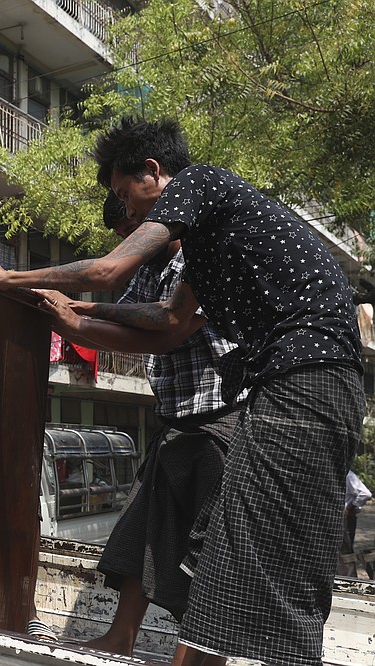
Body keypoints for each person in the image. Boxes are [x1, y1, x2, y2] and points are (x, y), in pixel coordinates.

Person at [0, 117, 363, 666]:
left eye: (124, 195)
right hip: (298, 387)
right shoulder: (213, 242)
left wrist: (11, 279)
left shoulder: (200, 183)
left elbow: (108, 271)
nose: (127, 213)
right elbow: (170, 319)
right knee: (247, 546)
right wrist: (75, 312)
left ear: (154, 174)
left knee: (261, 550)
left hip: (302, 381)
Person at [40, 194, 243, 660]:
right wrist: (72, 321)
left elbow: (169, 323)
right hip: (175, 419)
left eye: (133, 227)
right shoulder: (148, 273)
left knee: (210, 549)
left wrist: (83, 312)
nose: (130, 241)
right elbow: (126, 331)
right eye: (123, 236)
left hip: (219, 417)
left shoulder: (202, 253)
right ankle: (120, 636)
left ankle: (204, 655)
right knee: (142, 534)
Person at [339, 470, 372, 576]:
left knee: (345, 551)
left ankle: (349, 580)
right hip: (341, 517)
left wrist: (351, 507)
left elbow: (365, 494)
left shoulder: (348, 475)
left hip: (345, 517)